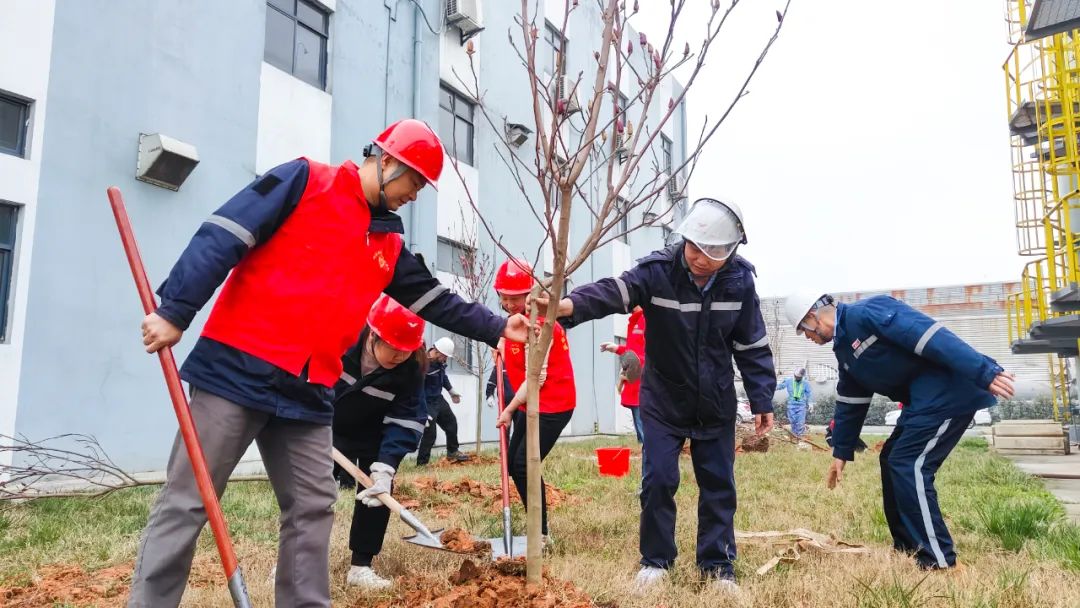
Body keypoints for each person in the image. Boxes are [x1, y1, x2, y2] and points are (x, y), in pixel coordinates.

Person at [130, 119, 530, 608]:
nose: (416, 195)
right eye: (415, 183)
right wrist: (176, 309)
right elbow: (225, 233)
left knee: (313, 507)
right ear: (387, 161)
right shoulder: (304, 181)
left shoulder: (387, 244)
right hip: (236, 369)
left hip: (309, 390)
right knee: (190, 500)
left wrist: (496, 327)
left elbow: (434, 300)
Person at [539, 198, 776, 594]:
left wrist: (762, 398)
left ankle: (718, 567)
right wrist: (569, 306)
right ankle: (655, 562)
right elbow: (617, 290)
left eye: (713, 252)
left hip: (715, 403)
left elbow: (751, 344)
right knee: (659, 480)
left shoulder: (740, 282)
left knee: (719, 485)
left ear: (731, 252)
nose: (701, 258)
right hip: (664, 400)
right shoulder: (658, 271)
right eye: (695, 247)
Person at [784, 291, 1015, 570]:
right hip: (923, 401)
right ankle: (908, 547)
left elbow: (931, 337)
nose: (807, 338)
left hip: (948, 393)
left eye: (804, 331)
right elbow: (851, 400)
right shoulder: (845, 349)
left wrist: (984, 371)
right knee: (891, 457)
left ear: (812, 317)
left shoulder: (868, 312)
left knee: (910, 464)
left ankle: (938, 561)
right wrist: (841, 452)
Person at [331, 296, 428, 590]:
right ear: (373, 334)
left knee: (376, 495)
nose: (400, 356)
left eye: (406, 350)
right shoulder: (339, 339)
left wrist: (385, 467)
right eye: (394, 348)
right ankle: (292, 560)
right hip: (325, 423)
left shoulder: (410, 369)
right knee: (310, 492)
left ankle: (361, 567)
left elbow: (407, 418)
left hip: (374, 431)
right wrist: (308, 423)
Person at [492, 258, 576, 543]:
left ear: (531, 293)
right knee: (517, 465)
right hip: (529, 403)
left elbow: (534, 383)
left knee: (524, 465)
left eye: (515, 297)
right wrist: (501, 341)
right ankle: (535, 527)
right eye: (504, 297)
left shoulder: (542, 329)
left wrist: (508, 410)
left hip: (551, 405)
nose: (509, 304)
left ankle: (539, 534)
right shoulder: (516, 323)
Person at [416, 337, 468, 464]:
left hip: (438, 399)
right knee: (430, 434)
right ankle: (422, 463)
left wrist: (451, 391)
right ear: (437, 351)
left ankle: (452, 451)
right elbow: (417, 389)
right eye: (444, 356)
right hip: (427, 402)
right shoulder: (422, 364)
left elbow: (443, 377)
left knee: (451, 423)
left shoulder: (439, 363)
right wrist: (422, 410)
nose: (445, 359)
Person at [600, 305, 646, 443]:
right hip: (634, 383)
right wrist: (616, 348)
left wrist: (630, 367)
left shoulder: (646, 319)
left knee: (645, 432)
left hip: (642, 385)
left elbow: (647, 356)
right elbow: (634, 351)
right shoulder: (634, 321)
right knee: (640, 430)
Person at [776, 368, 812, 442]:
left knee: (800, 422)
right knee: (793, 422)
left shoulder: (805, 383)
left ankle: (800, 439)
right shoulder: (788, 381)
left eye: (798, 377)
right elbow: (780, 386)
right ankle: (794, 437)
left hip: (801, 406)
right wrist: (770, 387)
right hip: (791, 405)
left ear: (802, 377)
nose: (797, 378)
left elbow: (809, 394)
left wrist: (811, 403)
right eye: (796, 376)